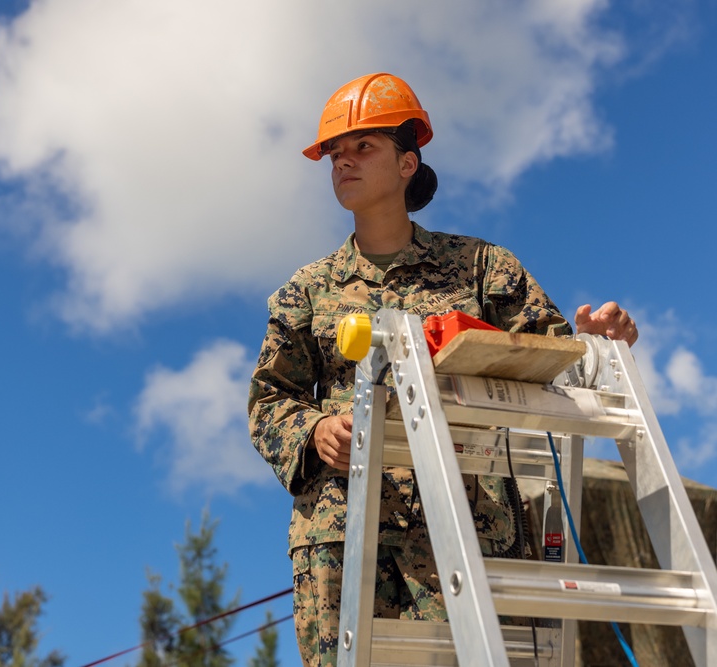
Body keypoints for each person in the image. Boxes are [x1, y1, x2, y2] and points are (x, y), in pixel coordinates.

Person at [246, 72, 638, 667]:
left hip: (469, 526)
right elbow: (269, 401)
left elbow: (553, 361)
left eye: (363, 147)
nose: (342, 163)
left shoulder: (482, 268)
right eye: (334, 153)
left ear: (408, 164)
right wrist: (312, 431)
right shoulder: (305, 291)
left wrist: (597, 346)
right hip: (346, 539)